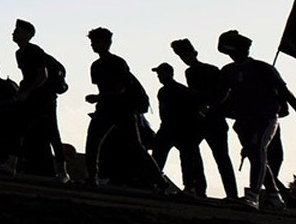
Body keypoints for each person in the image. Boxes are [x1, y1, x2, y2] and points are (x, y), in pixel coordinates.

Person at [216, 29, 296, 210]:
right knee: (255, 156)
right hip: (243, 120)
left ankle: (253, 196)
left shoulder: (262, 68)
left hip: (265, 117)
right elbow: (223, 96)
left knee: (258, 151)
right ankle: (274, 196)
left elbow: (286, 93)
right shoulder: (227, 71)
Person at [82, 27, 169, 191]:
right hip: (108, 109)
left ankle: (160, 180)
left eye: (97, 42)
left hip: (123, 110)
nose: (93, 45)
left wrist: (99, 98)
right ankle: (92, 178)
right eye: (92, 42)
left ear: (107, 43)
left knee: (134, 146)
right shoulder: (96, 65)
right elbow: (105, 88)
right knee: (93, 142)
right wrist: (100, 99)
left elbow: (121, 88)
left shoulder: (116, 63)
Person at [170, 38, 237, 199]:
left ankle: (231, 194)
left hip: (215, 118)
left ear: (194, 53)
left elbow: (222, 93)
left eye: (186, 55)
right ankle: (194, 188)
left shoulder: (212, 70)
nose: (185, 59)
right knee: (189, 150)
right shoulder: (190, 72)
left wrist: (210, 105)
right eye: (181, 56)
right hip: (199, 119)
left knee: (221, 156)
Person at [9, 19, 68, 179]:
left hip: (44, 98)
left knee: (52, 133)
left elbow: (42, 75)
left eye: (18, 30)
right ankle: (11, 166)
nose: (14, 33)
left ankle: (62, 172)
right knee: (20, 128)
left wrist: (26, 92)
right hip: (33, 96)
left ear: (28, 34)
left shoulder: (33, 51)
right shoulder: (20, 53)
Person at [150, 63, 206, 196]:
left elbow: (192, 111)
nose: (159, 77)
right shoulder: (167, 91)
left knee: (187, 159)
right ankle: (156, 182)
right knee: (162, 155)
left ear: (169, 73)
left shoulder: (180, 91)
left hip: (181, 129)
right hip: (171, 128)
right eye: (159, 74)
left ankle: (191, 188)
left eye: (161, 74)